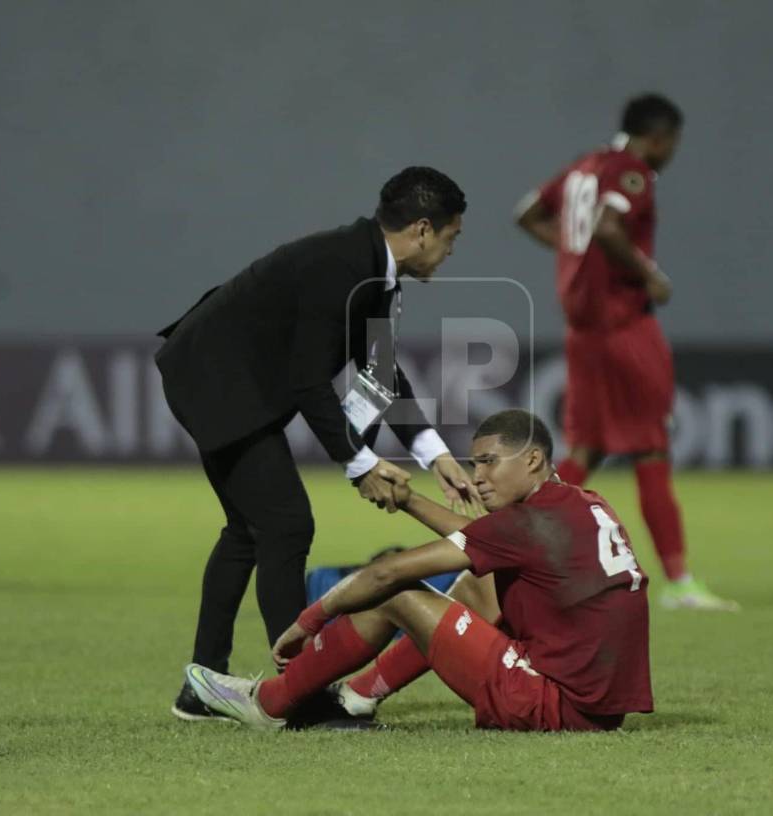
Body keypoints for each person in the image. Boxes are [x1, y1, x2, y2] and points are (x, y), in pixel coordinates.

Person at [155, 167, 479, 720]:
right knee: (286, 524)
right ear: (424, 230)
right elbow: (309, 379)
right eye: (452, 237)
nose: (451, 252)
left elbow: (380, 373)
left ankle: (201, 685)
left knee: (248, 530)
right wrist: (362, 464)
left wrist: (435, 454)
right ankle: (301, 695)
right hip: (215, 381)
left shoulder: (373, 272)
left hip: (216, 375)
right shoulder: (343, 267)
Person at [182, 409, 653, 732]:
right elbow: (483, 540)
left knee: (399, 593)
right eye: (475, 464)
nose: (479, 477)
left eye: (489, 462)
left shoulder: (528, 524)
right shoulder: (577, 504)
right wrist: (406, 500)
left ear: (532, 459)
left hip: (555, 704)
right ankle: (357, 697)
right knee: (478, 585)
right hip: (597, 707)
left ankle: (270, 703)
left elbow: (387, 574)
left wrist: (310, 620)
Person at [514, 93, 738, 611]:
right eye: (672, 143)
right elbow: (611, 227)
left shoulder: (582, 167)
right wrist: (649, 273)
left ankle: (506, 545)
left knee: (584, 452)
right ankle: (680, 582)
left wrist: (572, 250)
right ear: (658, 138)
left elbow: (527, 213)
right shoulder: (631, 172)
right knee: (651, 446)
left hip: (581, 330)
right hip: (624, 326)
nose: (671, 153)